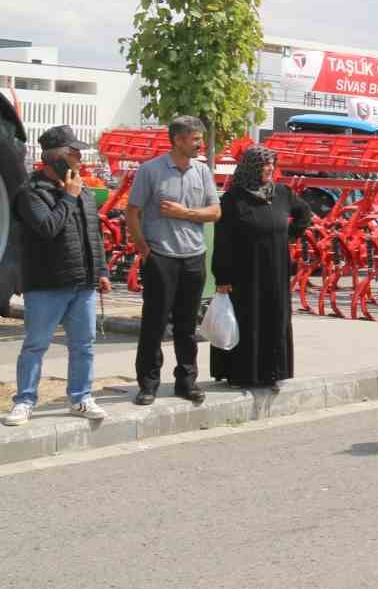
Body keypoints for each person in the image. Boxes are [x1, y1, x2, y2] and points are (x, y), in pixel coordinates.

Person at [4, 127, 113, 426]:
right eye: (73, 153)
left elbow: (95, 235)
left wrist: (101, 271)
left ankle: (80, 398)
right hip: (46, 284)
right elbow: (48, 228)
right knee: (36, 344)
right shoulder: (30, 193)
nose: (79, 158)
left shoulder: (84, 191)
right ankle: (24, 401)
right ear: (56, 158)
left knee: (83, 344)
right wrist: (68, 197)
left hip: (83, 283)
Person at [125, 115, 220, 406]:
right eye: (195, 139)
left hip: (193, 257)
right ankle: (148, 384)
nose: (200, 144)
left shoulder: (202, 171)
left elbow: (215, 212)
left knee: (186, 325)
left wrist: (186, 213)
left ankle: (186, 382)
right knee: (154, 324)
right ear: (178, 140)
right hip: (161, 257)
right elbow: (132, 211)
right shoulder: (150, 170)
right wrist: (143, 248)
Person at [210, 146, 311, 390]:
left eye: (271, 164)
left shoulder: (282, 193)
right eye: (264, 164)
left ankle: (272, 372)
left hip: (275, 271)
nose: (269, 169)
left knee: (273, 319)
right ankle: (242, 374)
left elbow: (304, 213)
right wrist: (222, 276)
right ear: (250, 167)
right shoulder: (234, 199)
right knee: (248, 320)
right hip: (245, 274)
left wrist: (289, 235)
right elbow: (222, 240)